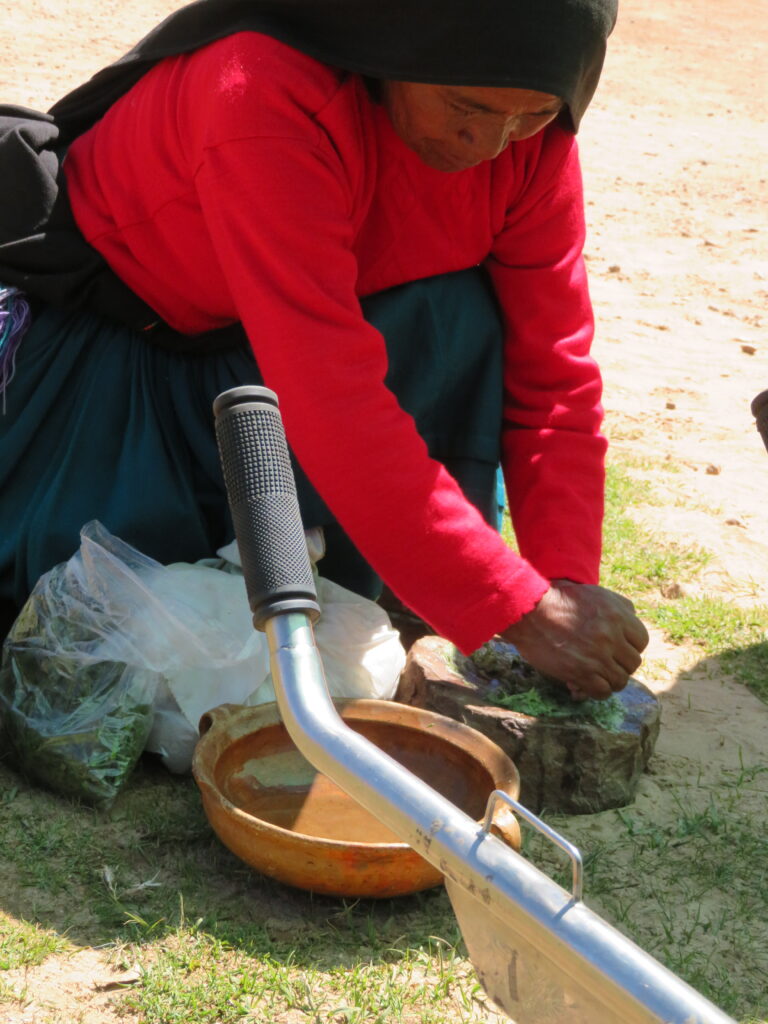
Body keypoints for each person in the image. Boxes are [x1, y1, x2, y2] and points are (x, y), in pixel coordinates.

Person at [0, 0, 648, 699]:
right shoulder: (260, 90)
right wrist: (513, 605)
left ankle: (383, 568)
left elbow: (553, 374)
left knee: (463, 312)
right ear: (394, 48)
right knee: (100, 620)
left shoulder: (533, 145)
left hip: (281, 362)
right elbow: (333, 402)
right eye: (467, 106)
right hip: (131, 365)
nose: (488, 143)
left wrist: (568, 584)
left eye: (533, 115)